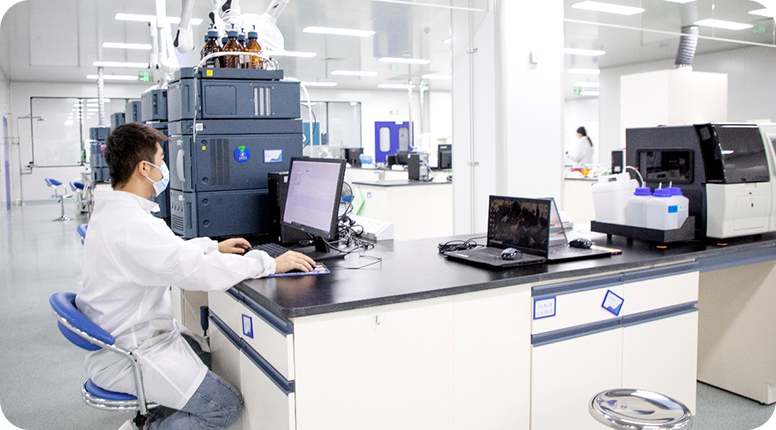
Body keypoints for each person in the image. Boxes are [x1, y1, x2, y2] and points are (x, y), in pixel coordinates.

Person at [76, 123, 315, 430]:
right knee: (224, 408)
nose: (165, 168)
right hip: (133, 350)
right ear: (144, 168)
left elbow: (168, 253)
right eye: (162, 160)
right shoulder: (132, 225)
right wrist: (268, 263)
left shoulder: (117, 213)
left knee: (202, 355)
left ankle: (150, 420)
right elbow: (195, 271)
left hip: (133, 334)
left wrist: (213, 246)